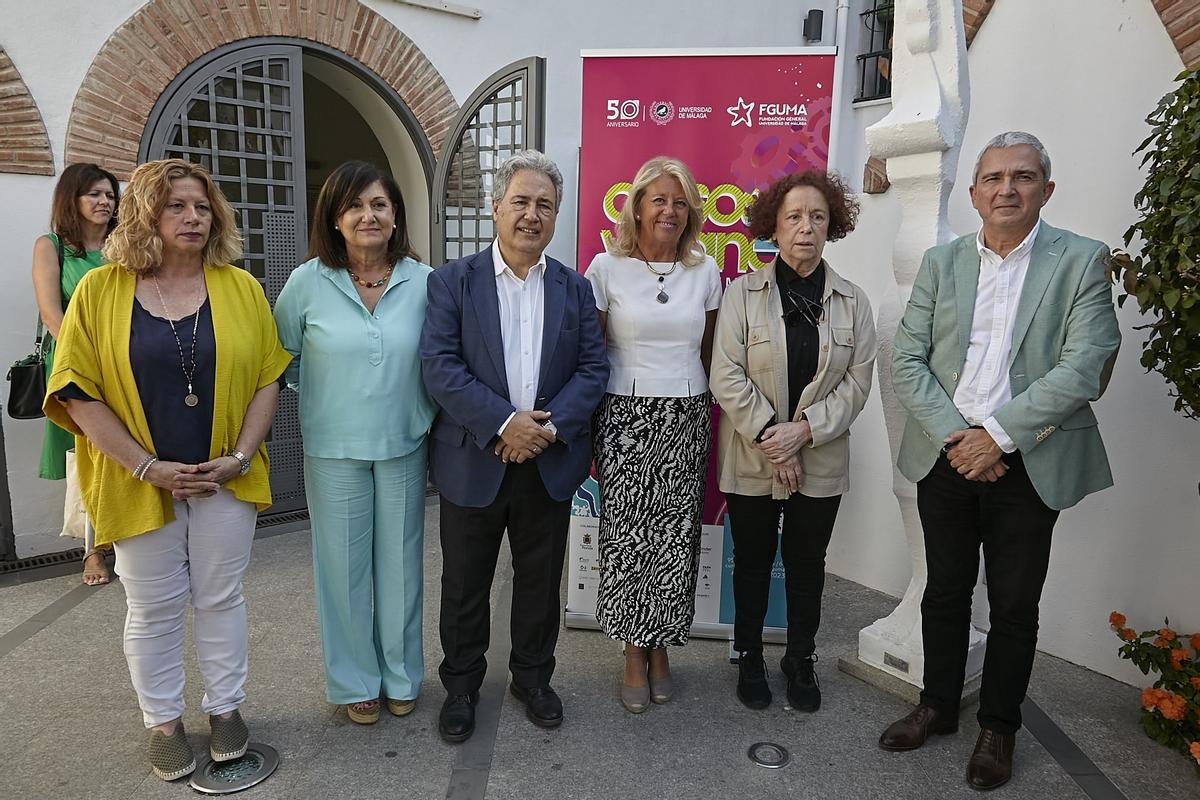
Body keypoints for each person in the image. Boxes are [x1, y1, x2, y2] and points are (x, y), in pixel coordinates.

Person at [878, 132, 1121, 791]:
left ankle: (998, 729)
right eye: (993, 178)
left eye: (1022, 176)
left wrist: (1000, 437)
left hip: (1029, 460)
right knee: (945, 590)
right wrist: (962, 438)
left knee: (1014, 605)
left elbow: (1085, 366)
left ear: (1046, 187)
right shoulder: (942, 262)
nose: (1006, 188)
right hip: (946, 454)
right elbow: (907, 359)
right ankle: (936, 704)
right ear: (975, 191)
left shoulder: (1081, 260)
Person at [44, 158, 291, 782]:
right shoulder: (101, 290)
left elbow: (268, 378)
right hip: (135, 479)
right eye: (176, 205)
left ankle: (227, 709)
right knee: (152, 607)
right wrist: (146, 466)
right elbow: (75, 389)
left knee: (220, 596)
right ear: (145, 214)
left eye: (202, 207)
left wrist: (237, 459)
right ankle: (163, 722)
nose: (192, 218)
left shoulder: (241, 287)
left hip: (222, 480)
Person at [421, 150, 608, 743]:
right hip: (475, 458)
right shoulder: (452, 281)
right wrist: (505, 423)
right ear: (495, 207)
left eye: (545, 206)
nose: (532, 215)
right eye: (521, 202)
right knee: (465, 584)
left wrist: (545, 431)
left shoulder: (576, 291)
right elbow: (440, 367)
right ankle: (462, 686)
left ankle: (533, 678)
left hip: (547, 463)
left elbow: (592, 370)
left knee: (539, 581)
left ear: (556, 217)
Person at [273, 161, 435, 725]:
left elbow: (441, 359)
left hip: (405, 441)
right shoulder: (307, 281)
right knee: (342, 570)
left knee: (401, 567)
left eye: (379, 205)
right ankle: (353, 681)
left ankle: (401, 675)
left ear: (395, 216)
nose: (368, 215)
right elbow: (281, 354)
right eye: (354, 206)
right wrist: (323, 391)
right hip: (332, 446)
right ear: (335, 219)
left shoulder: (424, 280)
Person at [710, 171, 877, 713]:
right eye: (794, 218)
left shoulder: (854, 302)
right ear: (773, 229)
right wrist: (772, 438)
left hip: (820, 459)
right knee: (753, 563)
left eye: (818, 217)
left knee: (808, 565)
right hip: (752, 457)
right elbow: (725, 374)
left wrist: (803, 433)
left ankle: (800, 659)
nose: (806, 228)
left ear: (833, 226)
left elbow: (858, 382)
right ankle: (751, 655)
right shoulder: (741, 293)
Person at [584, 156, 720, 713]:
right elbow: (591, 355)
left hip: (687, 418)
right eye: (659, 199)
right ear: (636, 205)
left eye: (680, 201)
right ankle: (633, 654)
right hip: (626, 419)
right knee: (630, 543)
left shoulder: (704, 271)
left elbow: (713, 354)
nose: (669, 209)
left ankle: (663, 647)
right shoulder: (604, 268)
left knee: (675, 541)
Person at [31, 163, 120, 584]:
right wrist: (89, 359)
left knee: (121, 448)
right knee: (83, 453)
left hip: (123, 363)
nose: (105, 202)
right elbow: (52, 312)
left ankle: (128, 533)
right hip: (74, 364)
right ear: (72, 199)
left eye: (109, 195)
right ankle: (93, 551)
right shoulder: (50, 246)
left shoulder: (123, 245)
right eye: (95, 195)